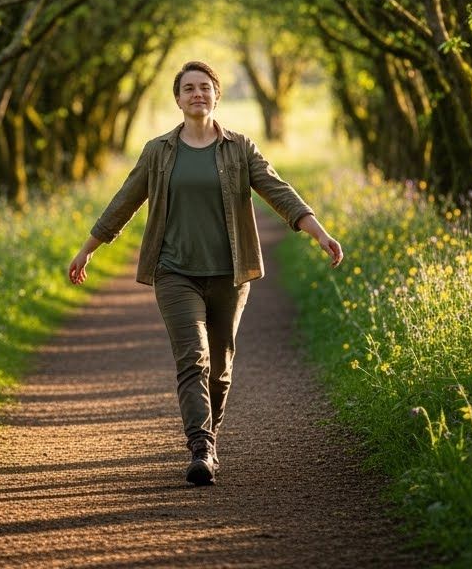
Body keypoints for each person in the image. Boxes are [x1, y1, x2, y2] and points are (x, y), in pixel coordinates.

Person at [68, 60, 343, 486]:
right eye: (188, 88)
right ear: (178, 99)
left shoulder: (239, 148)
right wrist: (88, 249)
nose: (197, 94)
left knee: (220, 369)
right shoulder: (159, 151)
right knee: (192, 359)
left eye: (204, 88)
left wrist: (318, 232)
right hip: (174, 271)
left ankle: (208, 433)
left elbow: (277, 190)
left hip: (230, 274)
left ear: (216, 95)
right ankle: (201, 448)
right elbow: (125, 200)